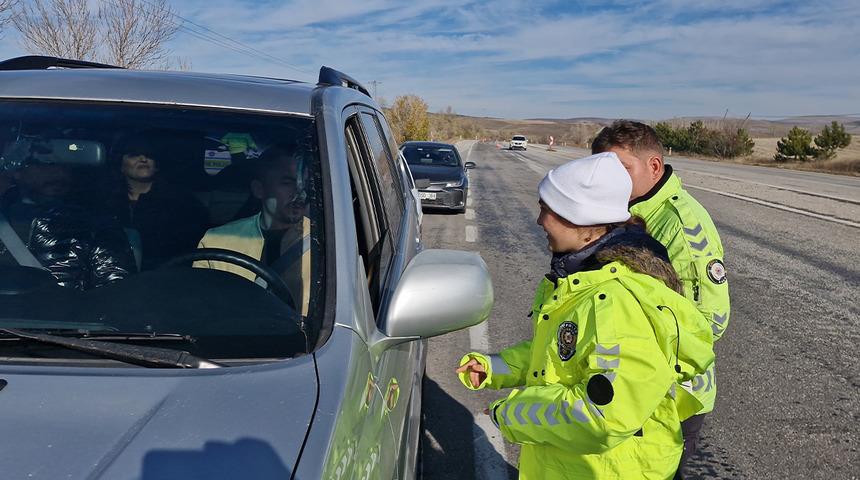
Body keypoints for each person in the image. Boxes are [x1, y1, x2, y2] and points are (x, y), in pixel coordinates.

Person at [456, 152, 715, 479]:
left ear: (581, 219)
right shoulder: (585, 279)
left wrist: (509, 413)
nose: (539, 221)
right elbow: (558, 354)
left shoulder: (616, 301)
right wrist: (494, 368)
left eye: (546, 210)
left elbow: (603, 415)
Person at [591, 120, 730, 478]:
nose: (610, 180)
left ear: (653, 166)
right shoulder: (624, 210)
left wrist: (646, 375)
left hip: (670, 396)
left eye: (621, 169)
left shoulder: (681, 225)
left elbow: (710, 321)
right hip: (628, 388)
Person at [194, 143, 310, 315]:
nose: (300, 193)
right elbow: (201, 309)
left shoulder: (328, 243)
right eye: (288, 183)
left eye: (303, 184)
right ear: (259, 189)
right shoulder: (216, 241)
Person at [0, 159, 135, 290]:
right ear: (18, 170)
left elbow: (116, 292)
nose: (59, 173)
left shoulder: (96, 227)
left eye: (64, 166)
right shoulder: (5, 218)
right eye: (47, 164)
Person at [109, 135, 209, 270]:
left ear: (157, 165)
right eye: (134, 155)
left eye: (149, 155)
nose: (143, 159)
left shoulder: (182, 203)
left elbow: (191, 249)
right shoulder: (105, 201)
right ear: (120, 165)